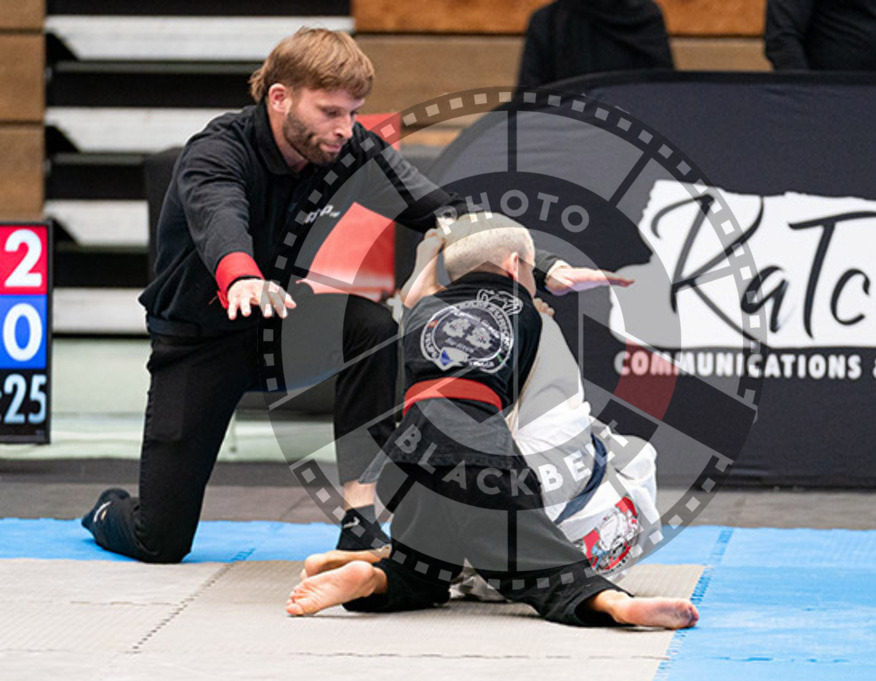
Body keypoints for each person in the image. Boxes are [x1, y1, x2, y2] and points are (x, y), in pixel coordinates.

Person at [80, 28, 631, 564]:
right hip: (201, 339)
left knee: (370, 328)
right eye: (331, 112)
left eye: (354, 111)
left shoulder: (350, 150)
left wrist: (543, 265)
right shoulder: (216, 153)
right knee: (162, 541)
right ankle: (108, 512)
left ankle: (359, 519)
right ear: (280, 98)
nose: (347, 127)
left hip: (286, 324)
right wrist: (242, 276)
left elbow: (446, 213)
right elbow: (219, 218)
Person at [284, 213, 697, 629]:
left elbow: (414, 292)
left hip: (406, 455)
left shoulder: (423, 306)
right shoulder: (529, 313)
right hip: (476, 449)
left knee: (424, 570)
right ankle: (613, 603)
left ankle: (373, 577)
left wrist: (430, 252)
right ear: (515, 266)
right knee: (539, 561)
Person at [517, 0, 674, 88]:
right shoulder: (548, 22)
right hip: (563, 138)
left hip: (632, 138)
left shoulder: (645, 18)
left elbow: (665, 96)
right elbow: (528, 103)